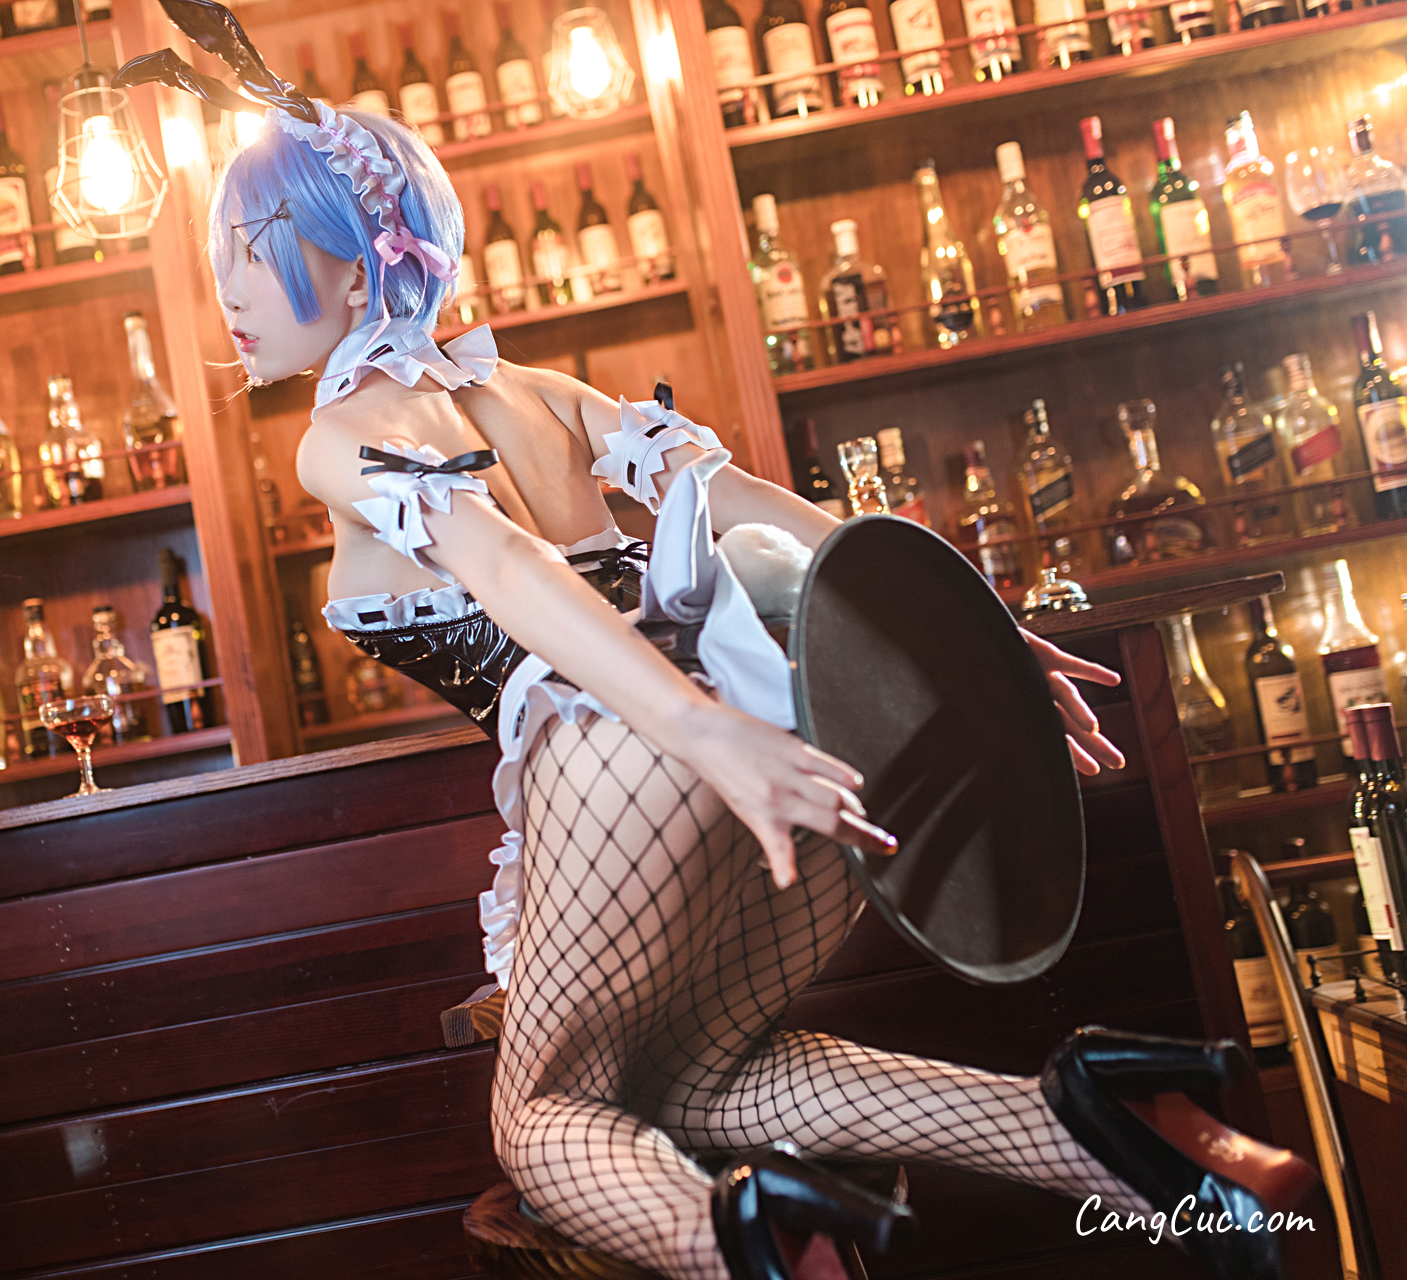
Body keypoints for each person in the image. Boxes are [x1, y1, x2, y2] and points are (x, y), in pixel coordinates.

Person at [115, 9, 1315, 1277]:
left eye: (251, 252)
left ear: (360, 274)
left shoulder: (342, 432)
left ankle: (750, 1245)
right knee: (701, 1079)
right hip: (801, 725)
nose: (226, 290)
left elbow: (508, 567)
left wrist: (698, 731)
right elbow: (759, 508)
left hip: (644, 757)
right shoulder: (537, 393)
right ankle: (1113, 1130)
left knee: (542, 1120)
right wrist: (982, 629)